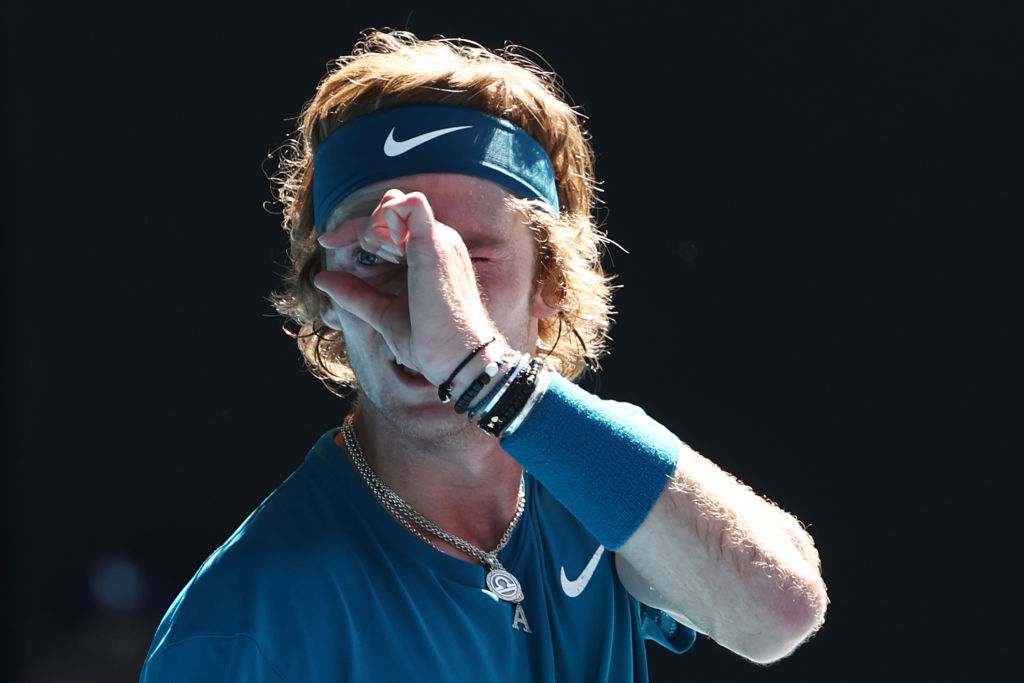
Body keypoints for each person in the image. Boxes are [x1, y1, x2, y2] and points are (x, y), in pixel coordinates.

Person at [140, 30, 827, 682]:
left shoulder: (599, 476)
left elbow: (781, 613)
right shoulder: (243, 624)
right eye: (375, 258)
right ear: (323, 293)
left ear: (550, 283)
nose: (422, 305)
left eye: (469, 259)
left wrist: (488, 376)